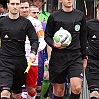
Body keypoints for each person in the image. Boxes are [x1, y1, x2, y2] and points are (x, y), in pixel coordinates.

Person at [44, 0, 88, 99]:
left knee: (76, 88)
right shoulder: (54, 16)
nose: (69, 0)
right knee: (59, 91)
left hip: (75, 56)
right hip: (58, 57)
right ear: (60, 0)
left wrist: (84, 57)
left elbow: (83, 38)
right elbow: (47, 36)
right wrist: (54, 44)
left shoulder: (80, 15)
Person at [0, 0, 39, 99]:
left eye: (17, 4)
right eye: (12, 4)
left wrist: (33, 52)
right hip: (4, 61)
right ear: (8, 5)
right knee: (5, 92)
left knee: (17, 94)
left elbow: (34, 39)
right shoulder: (1, 22)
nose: (15, 6)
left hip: (20, 62)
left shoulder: (26, 23)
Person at [20, 1, 46, 99]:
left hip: (32, 59)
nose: (24, 10)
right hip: (17, 57)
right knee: (18, 88)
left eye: (26, 7)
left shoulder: (36, 23)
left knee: (31, 88)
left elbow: (42, 39)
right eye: (22, 8)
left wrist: (38, 48)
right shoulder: (12, 21)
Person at [85, 1, 99, 99]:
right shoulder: (89, 25)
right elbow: (81, 42)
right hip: (93, 64)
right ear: (97, 10)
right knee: (94, 93)